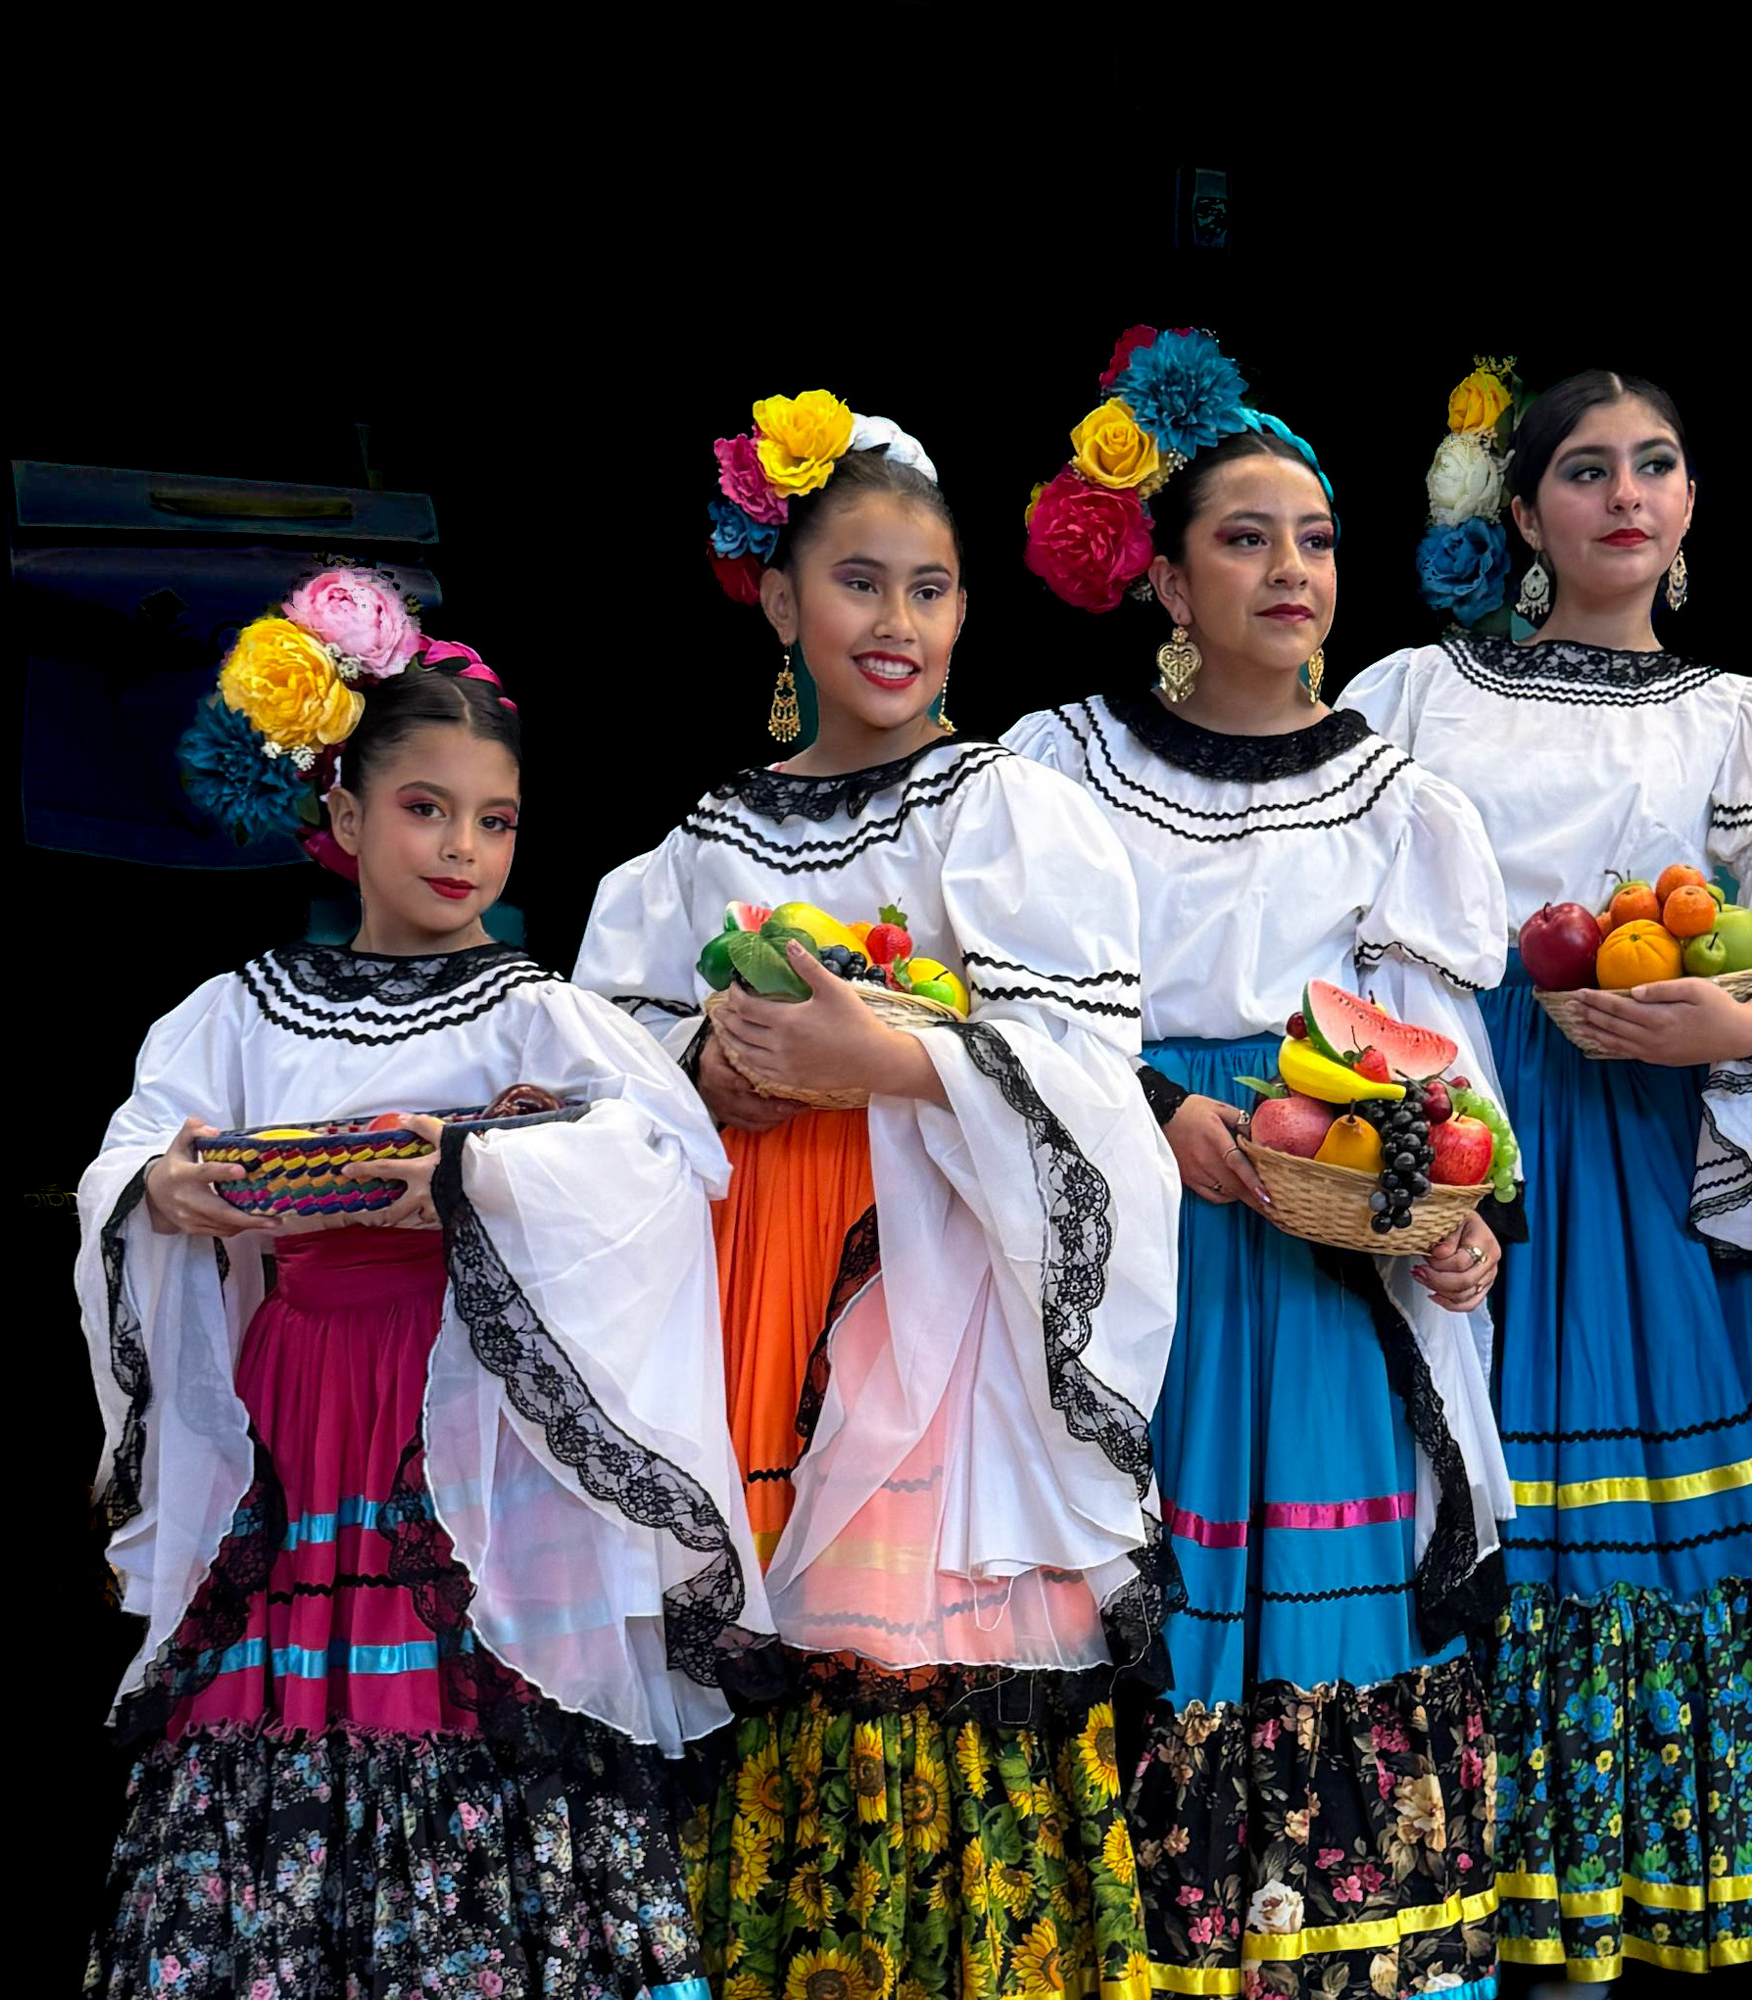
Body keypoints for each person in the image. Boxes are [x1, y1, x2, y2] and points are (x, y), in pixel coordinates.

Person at [81, 580, 765, 1997]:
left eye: (494, 820)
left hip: (466, 1407)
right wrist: (166, 1191)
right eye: (425, 809)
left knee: (474, 1691)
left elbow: (662, 1158)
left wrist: (474, 1172)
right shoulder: (239, 1013)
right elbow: (135, 1154)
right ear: (340, 819)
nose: (462, 847)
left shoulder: (539, 1012)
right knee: (286, 1683)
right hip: (305, 1398)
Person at [573, 395, 1175, 1999]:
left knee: (898, 1647)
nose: (896, 621)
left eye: (929, 585)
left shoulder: (1003, 813)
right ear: (778, 601)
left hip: (926, 1299)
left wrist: (891, 1062)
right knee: (759, 1636)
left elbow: (1092, 1081)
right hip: (740, 1289)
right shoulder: (694, 849)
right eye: (856, 580)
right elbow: (602, 1081)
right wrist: (710, 1067)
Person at [1345, 369, 1752, 1982]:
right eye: (1584, 471)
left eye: (1655, 465)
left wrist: (1729, 1013)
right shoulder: (1415, 700)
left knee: (1660, 1498)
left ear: (1689, 503)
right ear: (1521, 516)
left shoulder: (1747, 720)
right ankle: (1472, 1881)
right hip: (1473, 1111)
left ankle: (1662, 1881)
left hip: (1658, 1131)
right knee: (1459, 1442)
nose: (1625, 496)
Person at [1007, 326, 1516, 1997]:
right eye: (1243, 537)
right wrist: (1159, 1114)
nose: (1290, 568)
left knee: (1321, 1559)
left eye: (1313, 538)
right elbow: (1019, 1003)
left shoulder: (1395, 797)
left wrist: (1465, 1221)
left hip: (1318, 1235)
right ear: (1163, 577)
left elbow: (1441, 1062)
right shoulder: (1059, 770)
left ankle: (1327, 1946)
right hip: (1128, 1226)